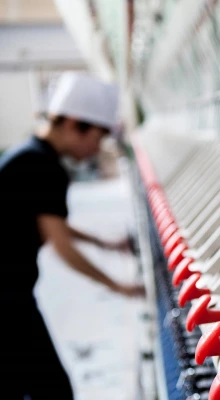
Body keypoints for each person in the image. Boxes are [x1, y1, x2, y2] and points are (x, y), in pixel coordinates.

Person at [1, 72, 145, 399]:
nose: (97, 149)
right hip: (9, 305)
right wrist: (118, 286)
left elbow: (45, 222)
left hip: (12, 299)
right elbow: (60, 246)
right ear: (75, 123)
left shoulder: (29, 154)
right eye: (97, 137)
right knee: (54, 392)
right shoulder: (43, 166)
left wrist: (102, 243)